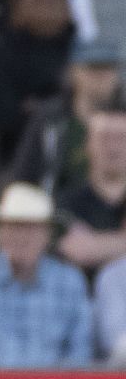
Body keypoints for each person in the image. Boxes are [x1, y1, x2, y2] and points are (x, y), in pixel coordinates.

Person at [0, 182, 92, 369]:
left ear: (48, 234)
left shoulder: (69, 283)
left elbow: (80, 357)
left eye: (31, 228)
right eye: (14, 226)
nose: (22, 237)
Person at [12, 38, 122, 196]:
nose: (102, 76)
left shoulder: (122, 119)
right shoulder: (50, 119)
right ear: (74, 72)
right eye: (93, 68)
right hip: (59, 208)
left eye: (109, 69)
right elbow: (25, 173)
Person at [0, 0, 76, 162]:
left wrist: (37, 107)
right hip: (19, 153)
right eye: (37, 2)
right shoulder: (3, 54)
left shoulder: (82, 53)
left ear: (68, 9)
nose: (45, 10)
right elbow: (6, 117)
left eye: (52, 2)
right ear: (17, 9)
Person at [54, 106, 126, 275]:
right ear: (87, 144)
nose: (113, 148)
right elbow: (79, 251)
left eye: (122, 138)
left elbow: (90, 249)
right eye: (104, 138)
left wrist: (96, 244)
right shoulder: (66, 202)